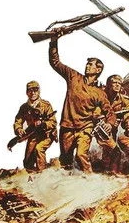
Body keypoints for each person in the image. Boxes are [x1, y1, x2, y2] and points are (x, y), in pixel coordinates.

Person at [49, 34, 116, 172]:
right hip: (67, 127)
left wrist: (110, 123)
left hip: (85, 128)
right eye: (87, 64)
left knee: (81, 155)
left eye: (91, 65)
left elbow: (109, 112)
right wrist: (53, 42)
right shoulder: (73, 77)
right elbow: (55, 63)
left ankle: (90, 180)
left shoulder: (99, 93)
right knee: (65, 161)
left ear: (98, 70)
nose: (87, 66)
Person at [12, 81, 58, 172]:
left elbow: (53, 122)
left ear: (39, 91)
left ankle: (42, 174)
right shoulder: (24, 107)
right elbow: (18, 121)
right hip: (33, 134)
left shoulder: (46, 105)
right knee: (28, 160)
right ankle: (31, 176)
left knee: (39, 149)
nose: (33, 93)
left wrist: (43, 124)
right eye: (30, 91)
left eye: (35, 90)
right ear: (27, 92)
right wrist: (19, 129)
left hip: (47, 134)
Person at [98, 74, 129, 173]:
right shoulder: (101, 96)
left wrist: (127, 120)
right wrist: (106, 120)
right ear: (109, 85)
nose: (117, 85)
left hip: (112, 129)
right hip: (99, 126)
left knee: (111, 149)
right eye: (115, 83)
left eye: (119, 83)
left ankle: (109, 170)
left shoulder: (123, 100)